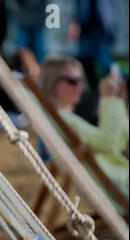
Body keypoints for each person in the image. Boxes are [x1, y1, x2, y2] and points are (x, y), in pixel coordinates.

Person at [38, 56, 129, 199]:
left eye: (81, 80)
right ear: (51, 82)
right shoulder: (63, 120)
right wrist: (110, 99)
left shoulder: (59, 119)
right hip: (118, 186)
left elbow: (118, 143)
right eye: (72, 81)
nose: (79, 86)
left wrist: (116, 103)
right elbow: (108, 144)